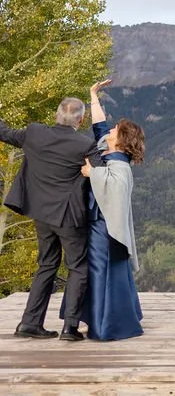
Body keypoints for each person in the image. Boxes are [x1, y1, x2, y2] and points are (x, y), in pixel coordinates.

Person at [2, 97, 97, 341]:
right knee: (78, 266)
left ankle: (30, 322)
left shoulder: (34, 134)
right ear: (81, 119)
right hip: (68, 216)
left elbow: (5, 133)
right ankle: (70, 327)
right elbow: (102, 172)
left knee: (46, 265)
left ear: (56, 115)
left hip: (40, 215)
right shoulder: (85, 144)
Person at [59, 80, 144, 340]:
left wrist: (91, 173)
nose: (112, 129)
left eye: (117, 129)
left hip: (104, 229)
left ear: (122, 140)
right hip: (96, 224)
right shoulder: (107, 152)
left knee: (98, 270)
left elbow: (115, 192)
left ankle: (104, 325)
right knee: (97, 271)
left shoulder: (120, 165)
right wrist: (93, 96)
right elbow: (99, 127)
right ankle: (102, 318)